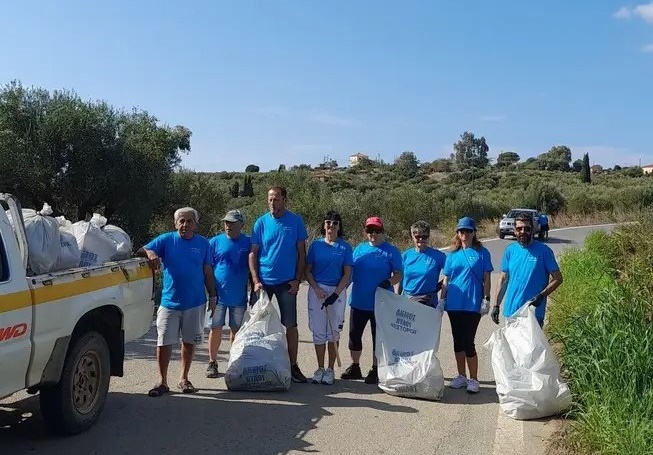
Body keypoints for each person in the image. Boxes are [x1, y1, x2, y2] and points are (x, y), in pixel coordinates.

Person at [140, 207, 216, 397]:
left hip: (195, 302)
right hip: (169, 302)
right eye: (181, 221)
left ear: (195, 224)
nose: (185, 225)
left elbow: (207, 272)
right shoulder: (166, 240)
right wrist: (150, 253)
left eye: (189, 221)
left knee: (189, 342)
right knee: (164, 342)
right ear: (175, 224)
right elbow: (143, 249)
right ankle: (162, 381)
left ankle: (184, 378)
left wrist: (213, 296)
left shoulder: (203, 244)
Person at [249, 186, 309, 383]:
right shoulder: (261, 223)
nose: (272, 203)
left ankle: (293, 366)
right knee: (256, 324)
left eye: (276, 199)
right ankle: (255, 363)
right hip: (263, 284)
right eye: (269, 199)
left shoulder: (295, 221)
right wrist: (256, 281)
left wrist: (297, 280)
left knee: (290, 325)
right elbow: (253, 253)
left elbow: (302, 253)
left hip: (287, 284)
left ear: (284, 200)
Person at [342, 216, 403, 385]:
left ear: (382, 232)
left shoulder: (391, 251)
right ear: (365, 232)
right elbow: (350, 274)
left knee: (378, 338)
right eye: (369, 231)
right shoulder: (359, 249)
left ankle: (376, 369)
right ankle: (355, 366)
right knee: (354, 336)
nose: (373, 234)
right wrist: (339, 292)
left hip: (380, 303)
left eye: (376, 231)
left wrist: (389, 282)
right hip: (358, 301)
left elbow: (399, 274)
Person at [440, 216, 493, 394]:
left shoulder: (482, 253)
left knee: (468, 341)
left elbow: (487, 278)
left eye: (468, 231)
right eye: (461, 231)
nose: (465, 234)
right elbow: (446, 279)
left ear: (474, 232)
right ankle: (461, 376)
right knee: (457, 341)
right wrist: (442, 300)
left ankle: (474, 378)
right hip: (454, 304)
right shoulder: (452, 255)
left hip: (472, 304)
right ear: (457, 233)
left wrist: (486, 299)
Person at [304, 211, 353, 385]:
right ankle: (320, 368)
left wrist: (336, 293)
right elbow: (308, 271)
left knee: (333, 332)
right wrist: (316, 288)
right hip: (317, 291)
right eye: (328, 222)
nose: (331, 226)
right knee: (318, 331)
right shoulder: (316, 246)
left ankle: (330, 369)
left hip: (336, 292)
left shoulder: (345, 247)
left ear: (339, 226)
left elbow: (347, 274)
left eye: (334, 223)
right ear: (324, 225)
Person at [492, 213, 563, 328]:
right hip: (511, 313)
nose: (523, 231)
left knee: (530, 347)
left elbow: (558, 278)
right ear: (514, 230)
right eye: (519, 228)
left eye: (527, 228)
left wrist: (542, 295)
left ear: (533, 230)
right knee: (512, 346)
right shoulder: (510, 251)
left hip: (533, 314)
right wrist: (496, 305)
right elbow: (503, 279)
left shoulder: (544, 251)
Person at [206, 210, 251, 378]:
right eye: (226, 222)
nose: (228, 226)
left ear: (241, 224)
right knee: (215, 328)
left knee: (236, 330)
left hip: (239, 296)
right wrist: (209, 290)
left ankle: (234, 362)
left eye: (232, 223)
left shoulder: (248, 242)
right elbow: (207, 267)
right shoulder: (215, 242)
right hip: (217, 295)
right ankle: (212, 362)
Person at [397, 220, 447, 307]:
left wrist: (438, 287)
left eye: (424, 236)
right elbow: (399, 280)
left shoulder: (438, 256)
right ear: (412, 236)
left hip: (428, 302)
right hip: (407, 301)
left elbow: (450, 274)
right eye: (417, 236)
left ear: (428, 237)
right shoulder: (405, 256)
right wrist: (396, 298)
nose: (421, 239)